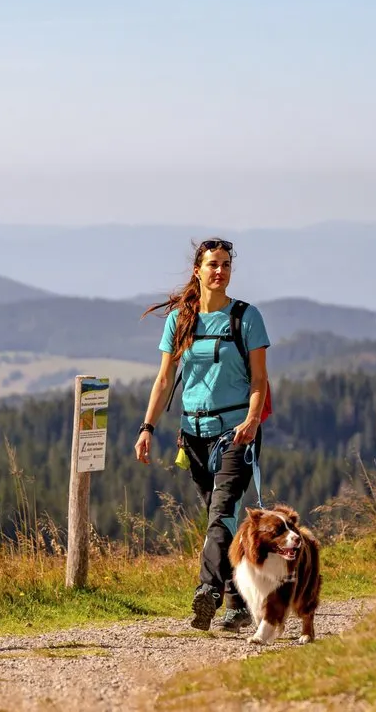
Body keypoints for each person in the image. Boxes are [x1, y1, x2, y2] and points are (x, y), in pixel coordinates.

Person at [133, 237, 271, 631]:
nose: (220, 271)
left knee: (221, 514)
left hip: (236, 434)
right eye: (212, 264)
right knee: (221, 520)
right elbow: (164, 380)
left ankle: (207, 591)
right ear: (198, 270)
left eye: (226, 264)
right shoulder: (181, 321)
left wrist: (252, 420)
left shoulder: (247, 318)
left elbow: (259, 380)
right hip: (192, 436)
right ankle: (239, 603)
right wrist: (147, 427)